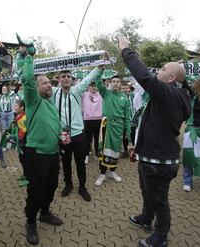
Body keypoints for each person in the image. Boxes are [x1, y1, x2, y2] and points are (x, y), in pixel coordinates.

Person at [119, 36, 191, 247]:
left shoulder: (168, 93)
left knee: (160, 201)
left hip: (158, 163)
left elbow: (144, 77)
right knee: (147, 193)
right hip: (150, 157)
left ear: (171, 79)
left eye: (162, 68)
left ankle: (160, 237)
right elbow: (151, 124)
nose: (157, 71)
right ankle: (145, 219)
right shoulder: (172, 96)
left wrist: (126, 50)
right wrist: (137, 146)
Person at [22, 48, 63, 246]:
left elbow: (55, 127)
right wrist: (29, 57)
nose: (49, 85)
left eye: (49, 82)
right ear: (36, 88)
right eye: (45, 82)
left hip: (53, 154)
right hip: (36, 153)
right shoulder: (33, 101)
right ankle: (30, 221)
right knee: (36, 189)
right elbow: (28, 79)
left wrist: (62, 136)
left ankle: (45, 213)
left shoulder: (51, 105)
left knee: (52, 186)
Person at [52, 67, 103, 202]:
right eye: (63, 76)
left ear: (72, 79)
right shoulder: (54, 92)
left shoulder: (76, 90)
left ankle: (82, 187)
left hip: (79, 134)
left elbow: (88, 80)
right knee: (66, 162)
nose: (66, 78)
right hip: (63, 135)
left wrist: (99, 68)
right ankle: (68, 185)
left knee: (80, 162)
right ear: (58, 79)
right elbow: (38, 85)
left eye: (69, 76)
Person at [94, 75, 130, 186]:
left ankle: (113, 171)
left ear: (120, 84)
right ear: (110, 83)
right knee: (104, 150)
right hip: (106, 125)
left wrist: (127, 131)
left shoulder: (125, 98)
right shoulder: (106, 94)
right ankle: (103, 174)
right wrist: (100, 69)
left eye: (117, 82)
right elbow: (98, 83)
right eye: (113, 81)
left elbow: (127, 117)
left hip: (118, 127)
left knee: (115, 150)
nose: (115, 83)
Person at [82, 82, 103, 164]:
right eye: (92, 86)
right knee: (87, 139)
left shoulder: (101, 94)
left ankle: (97, 154)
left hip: (98, 119)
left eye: (95, 86)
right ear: (89, 87)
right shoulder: (85, 94)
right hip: (88, 119)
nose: (94, 87)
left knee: (98, 138)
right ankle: (86, 155)